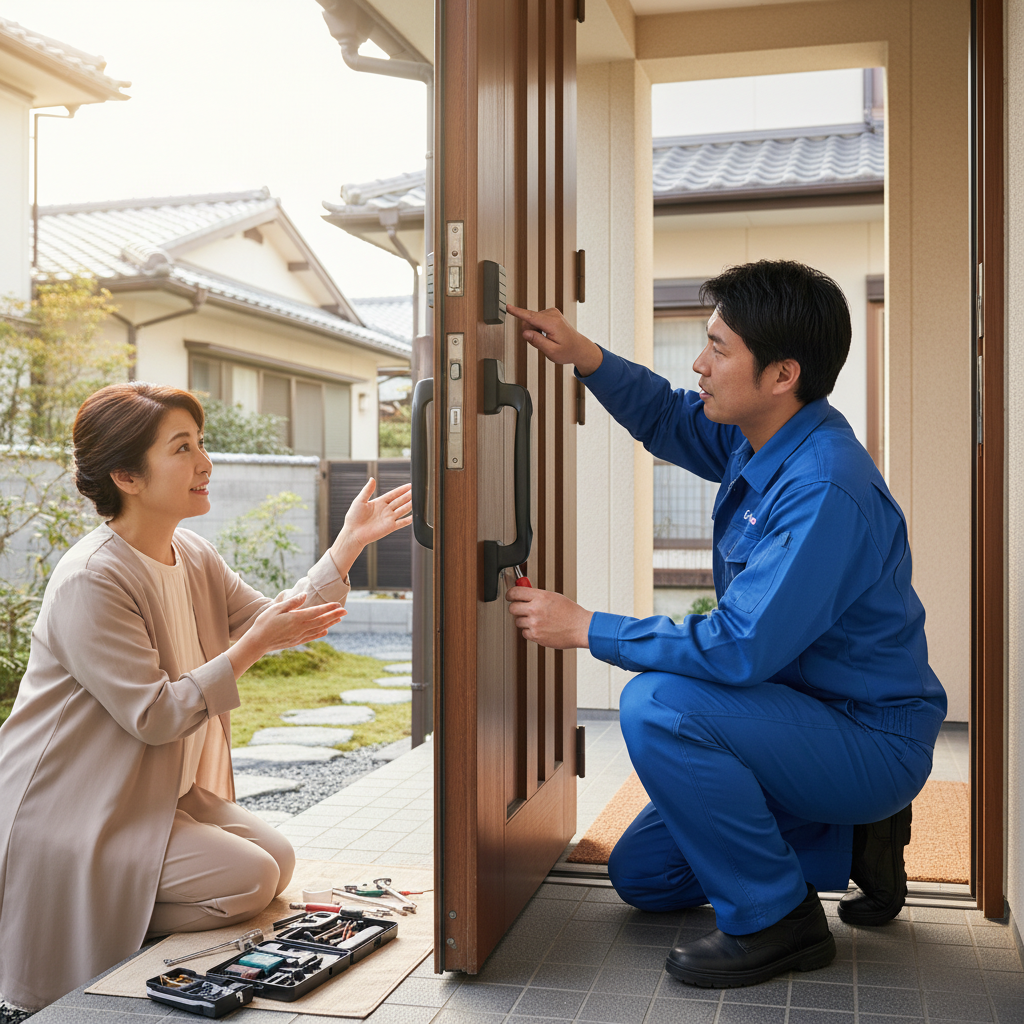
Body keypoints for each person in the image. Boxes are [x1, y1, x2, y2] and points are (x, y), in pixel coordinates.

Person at [504, 260, 946, 989]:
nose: (700, 364)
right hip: (794, 719)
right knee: (642, 875)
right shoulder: (762, 434)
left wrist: (588, 626)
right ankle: (852, 839)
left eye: (719, 348)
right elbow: (665, 415)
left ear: (782, 374)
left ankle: (778, 920)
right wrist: (582, 355)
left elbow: (739, 648)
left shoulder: (824, 489)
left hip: (866, 738)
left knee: (658, 704)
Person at [0, 382, 412, 1019]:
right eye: (182, 447)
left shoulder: (190, 552)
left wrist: (348, 543)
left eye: (202, 443)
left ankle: (120, 907)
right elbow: (156, 715)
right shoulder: (93, 577)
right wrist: (251, 647)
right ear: (126, 476)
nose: (205, 463)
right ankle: (98, 923)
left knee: (275, 861)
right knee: (247, 879)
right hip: (75, 801)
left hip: (156, 789)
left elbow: (273, 618)